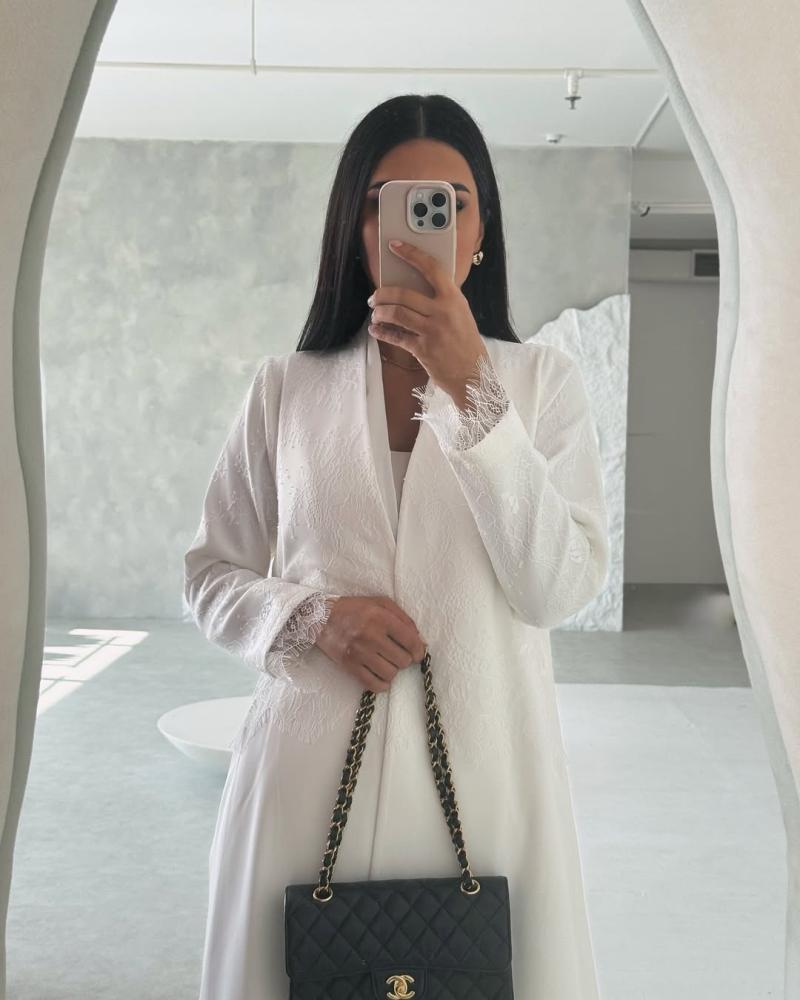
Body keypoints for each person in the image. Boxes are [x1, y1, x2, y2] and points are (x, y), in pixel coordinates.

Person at [183, 92, 610, 1000]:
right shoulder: (285, 389)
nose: (422, 226)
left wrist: (473, 391)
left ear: (480, 230)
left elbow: (557, 586)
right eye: (392, 201)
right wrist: (311, 618)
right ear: (358, 225)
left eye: (449, 203)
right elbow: (211, 575)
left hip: (489, 795)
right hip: (303, 791)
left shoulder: (542, 384)